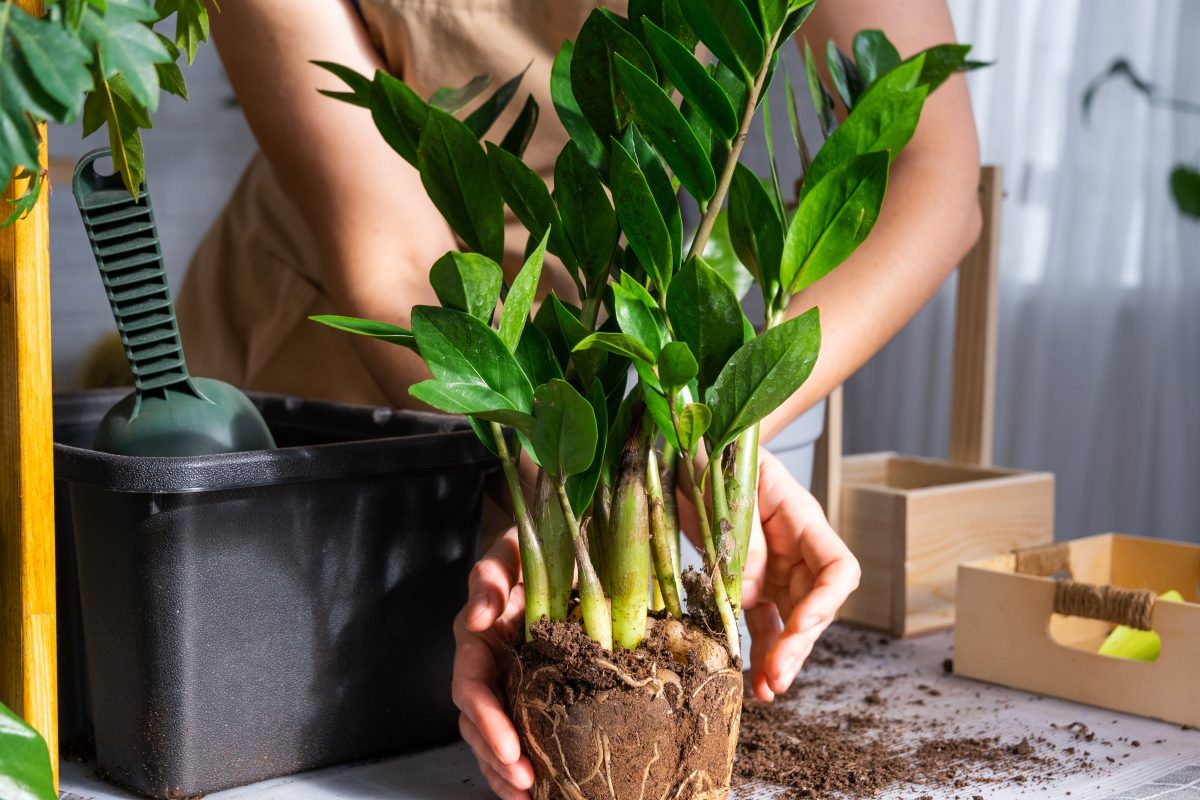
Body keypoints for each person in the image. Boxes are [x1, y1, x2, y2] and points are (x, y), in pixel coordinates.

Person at [180, 1, 979, 797]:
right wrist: (577, 494)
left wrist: (708, 435)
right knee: (292, 729)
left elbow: (933, 172)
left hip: (602, 321)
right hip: (366, 369)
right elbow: (392, 259)